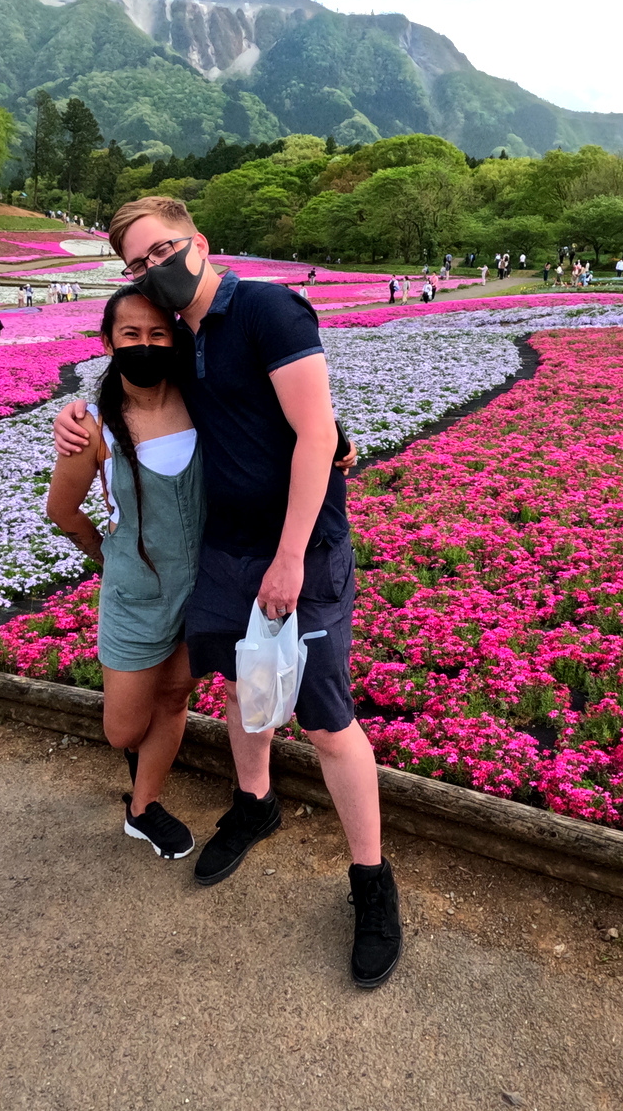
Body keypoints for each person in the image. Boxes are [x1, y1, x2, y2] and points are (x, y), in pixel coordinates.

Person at [53, 196, 401, 989]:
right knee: (243, 686)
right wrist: (74, 420)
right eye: (138, 264)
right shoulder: (186, 337)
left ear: (199, 243)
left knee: (325, 717)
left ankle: (371, 882)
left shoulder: (269, 309)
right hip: (226, 550)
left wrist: (290, 557)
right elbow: (141, 397)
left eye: (163, 251)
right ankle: (254, 803)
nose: (154, 270)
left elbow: (317, 433)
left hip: (298, 550)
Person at [45, 287, 202, 858]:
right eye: (130, 335)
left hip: (202, 591)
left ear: (176, 339)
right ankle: (142, 761)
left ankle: (142, 807)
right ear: (108, 342)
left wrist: (337, 442)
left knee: (175, 698)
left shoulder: (201, 402)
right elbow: (62, 511)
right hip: (135, 598)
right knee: (122, 730)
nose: (145, 345)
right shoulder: (93, 429)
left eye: (158, 335)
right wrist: (110, 558)